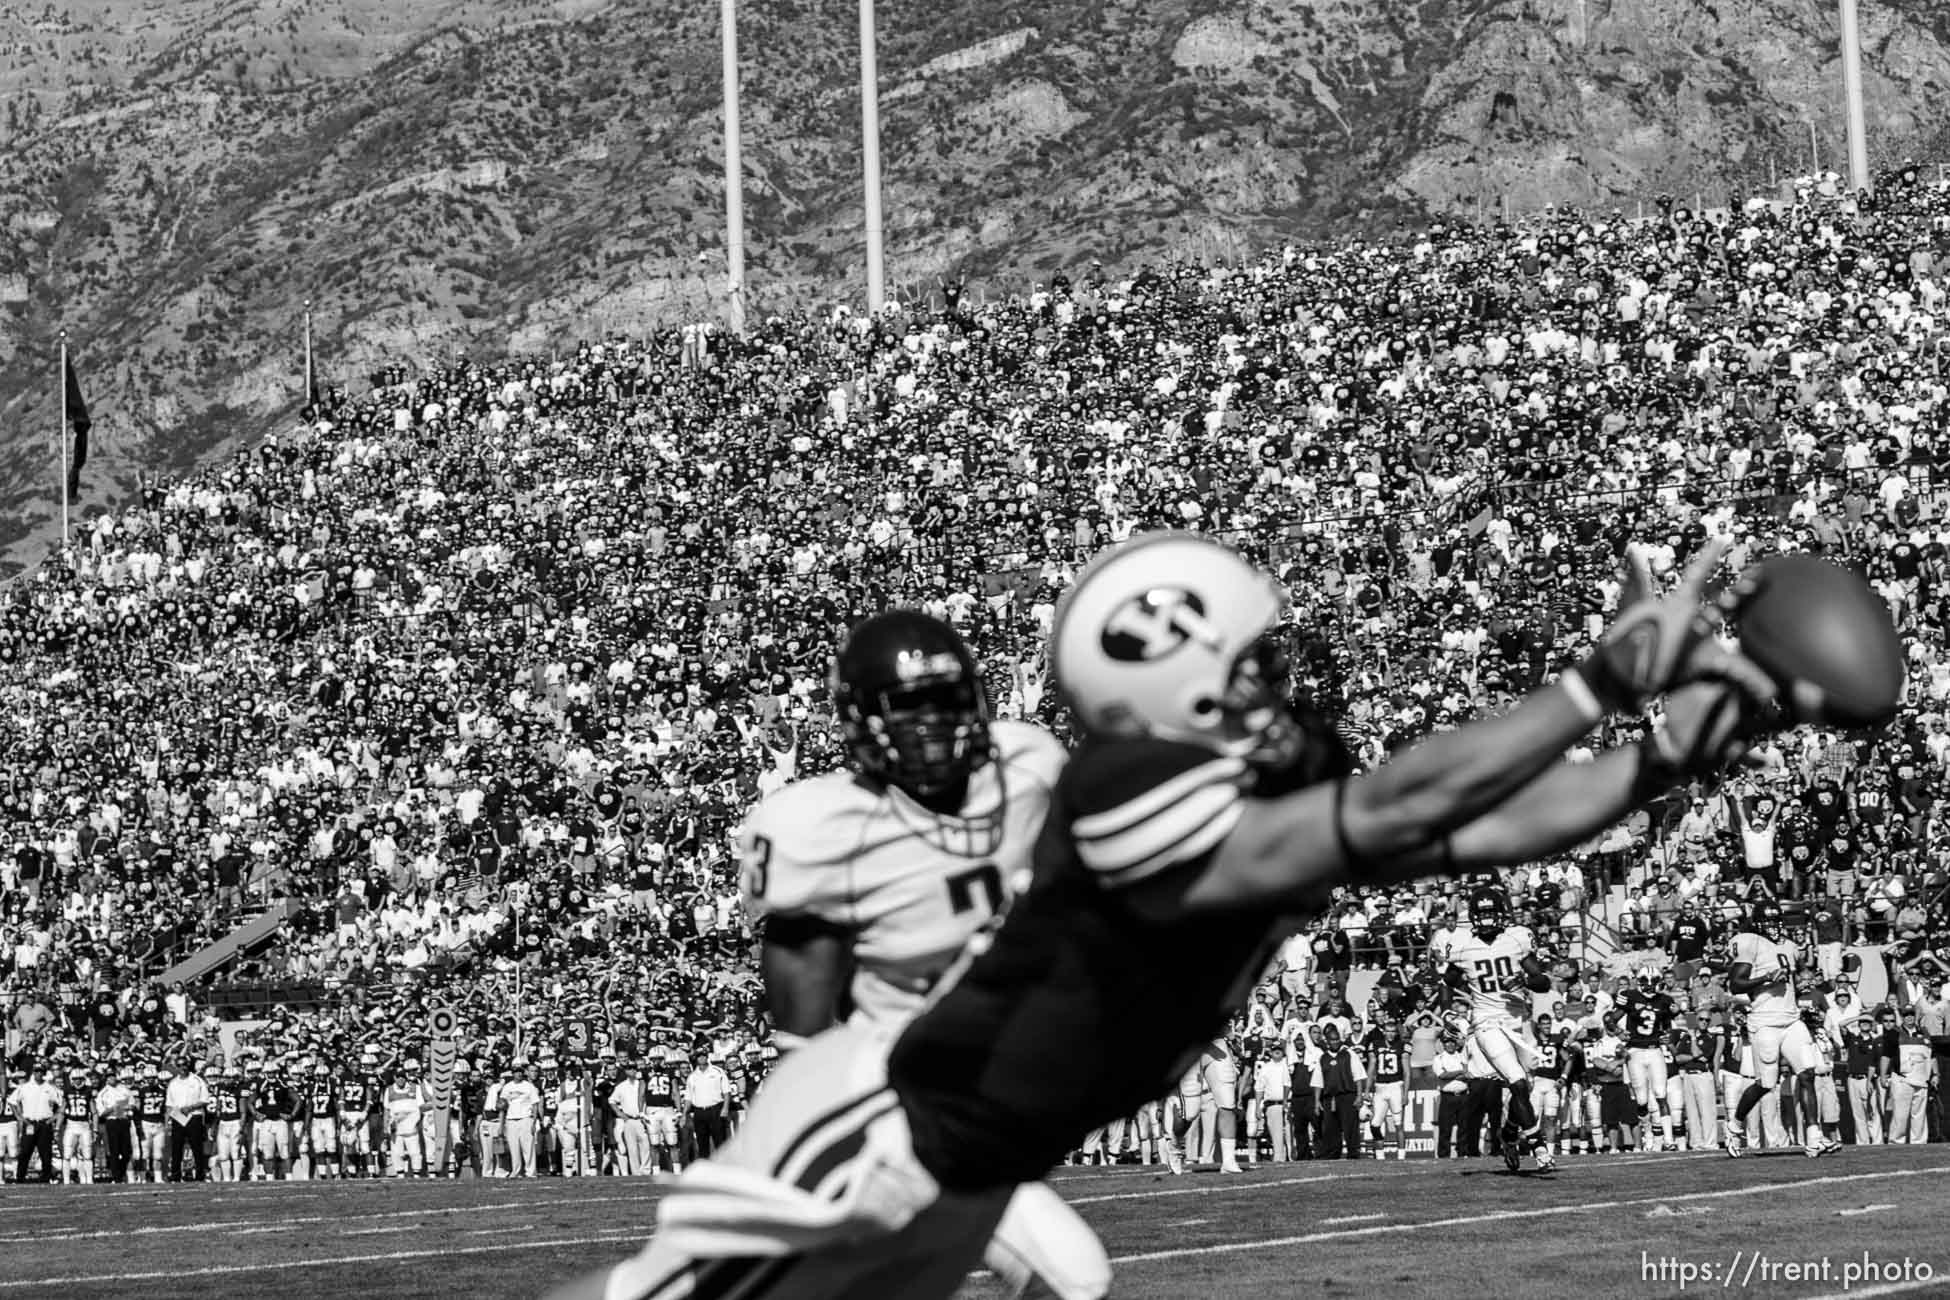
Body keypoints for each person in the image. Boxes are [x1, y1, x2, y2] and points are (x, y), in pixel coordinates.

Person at [561, 530, 1777, 1300]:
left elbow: (1476, 827)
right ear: (1175, 671)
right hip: (874, 1135)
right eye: (1251, 663)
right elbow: (1398, 804)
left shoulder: (1262, 779)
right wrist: (1595, 685)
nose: (1279, 684)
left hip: (979, 1167)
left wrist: (1668, 756)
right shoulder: (1119, 785)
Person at [735, 609, 1110, 1293]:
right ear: (858, 720)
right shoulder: (813, 827)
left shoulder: (1029, 765)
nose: (933, 724)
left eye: (946, 701)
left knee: (1073, 1282)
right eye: (909, 707)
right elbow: (801, 1019)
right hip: (883, 1101)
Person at [1441, 883, 1556, 1171]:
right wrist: (1448, 1014)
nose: (1488, 920)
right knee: (1516, 1081)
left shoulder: (1516, 940)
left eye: (1493, 913)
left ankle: (1508, 1134)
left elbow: (1543, 982)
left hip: (1518, 1022)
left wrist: (1523, 981)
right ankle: (1539, 1148)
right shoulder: (1463, 946)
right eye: (1484, 914)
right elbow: (1449, 981)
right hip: (1486, 1023)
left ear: (1501, 914)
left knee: (1524, 1089)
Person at [1724, 900, 1837, 1157]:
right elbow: (1736, 984)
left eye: (1776, 921)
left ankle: (1814, 1137)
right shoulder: (1749, 942)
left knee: (1808, 1073)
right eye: (1767, 922)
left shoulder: (1789, 945)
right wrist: (1765, 978)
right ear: (1758, 924)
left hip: (1791, 1019)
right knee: (1765, 1083)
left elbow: (1792, 982)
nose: (1773, 927)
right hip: (1764, 1021)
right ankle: (1734, 1125)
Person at [1617, 970, 1678, 1150]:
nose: (1650, 984)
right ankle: (1648, 1133)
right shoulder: (1630, 996)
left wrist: (1667, 1036)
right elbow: (1609, 1019)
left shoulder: (1665, 1000)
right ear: (1639, 982)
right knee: (1642, 1100)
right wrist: (1619, 1032)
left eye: (1653, 981)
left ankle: (1669, 1140)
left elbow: (1666, 1026)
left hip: (1654, 1050)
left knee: (1661, 1093)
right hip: (1635, 1051)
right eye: (1646, 981)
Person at [7, 1065, 59, 1183]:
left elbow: (62, 1103)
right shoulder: (25, 1087)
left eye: (41, 1072)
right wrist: (19, 1117)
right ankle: (20, 1178)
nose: (39, 1074)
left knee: (45, 1152)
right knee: (25, 1151)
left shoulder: (50, 1088)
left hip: (44, 1123)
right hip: (29, 1123)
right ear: (33, 1073)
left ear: (44, 1073)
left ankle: (46, 1178)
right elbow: (12, 1101)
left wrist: (53, 1118)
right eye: (36, 1071)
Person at [166, 1057, 212, 1182]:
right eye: (179, 1065)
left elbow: (205, 1100)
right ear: (176, 1067)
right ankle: (175, 1176)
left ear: (188, 1065)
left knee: (197, 1148)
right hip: (178, 1116)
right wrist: (168, 1122)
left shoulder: (197, 1080)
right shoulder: (173, 1083)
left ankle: (200, 1175)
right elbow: (169, 1105)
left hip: (194, 1115)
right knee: (177, 1148)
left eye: (184, 1064)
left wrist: (191, 1107)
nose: (182, 1067)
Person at [96, 1065, 138, 1183]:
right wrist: (112, 1108)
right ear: (106, 1079)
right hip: (112, 1121)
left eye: (113, 1076)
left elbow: (133, 1104)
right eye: (109, 1077)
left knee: (126, 1152)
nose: (111, 1079)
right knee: (114, 1151)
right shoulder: (103, 1093)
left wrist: (127, 1107)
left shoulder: (124, 1089)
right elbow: (101, 1113)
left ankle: (121, 1171)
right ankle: (116, 1177)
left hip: (124, 1120)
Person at [61, 1066, 98, 1183]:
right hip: (71, 1124)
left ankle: (89, 1180)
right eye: (75, 1078)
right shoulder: (67, 1091)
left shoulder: (88, 1091)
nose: (78, 1081)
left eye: (80, 1078)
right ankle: (66, 1181)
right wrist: (57, 1127)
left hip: (84, 1125)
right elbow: (62, 1110)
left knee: (87, 1155)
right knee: (67, 1154)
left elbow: (94, 1112)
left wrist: (95, 1129)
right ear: (72, 1079)